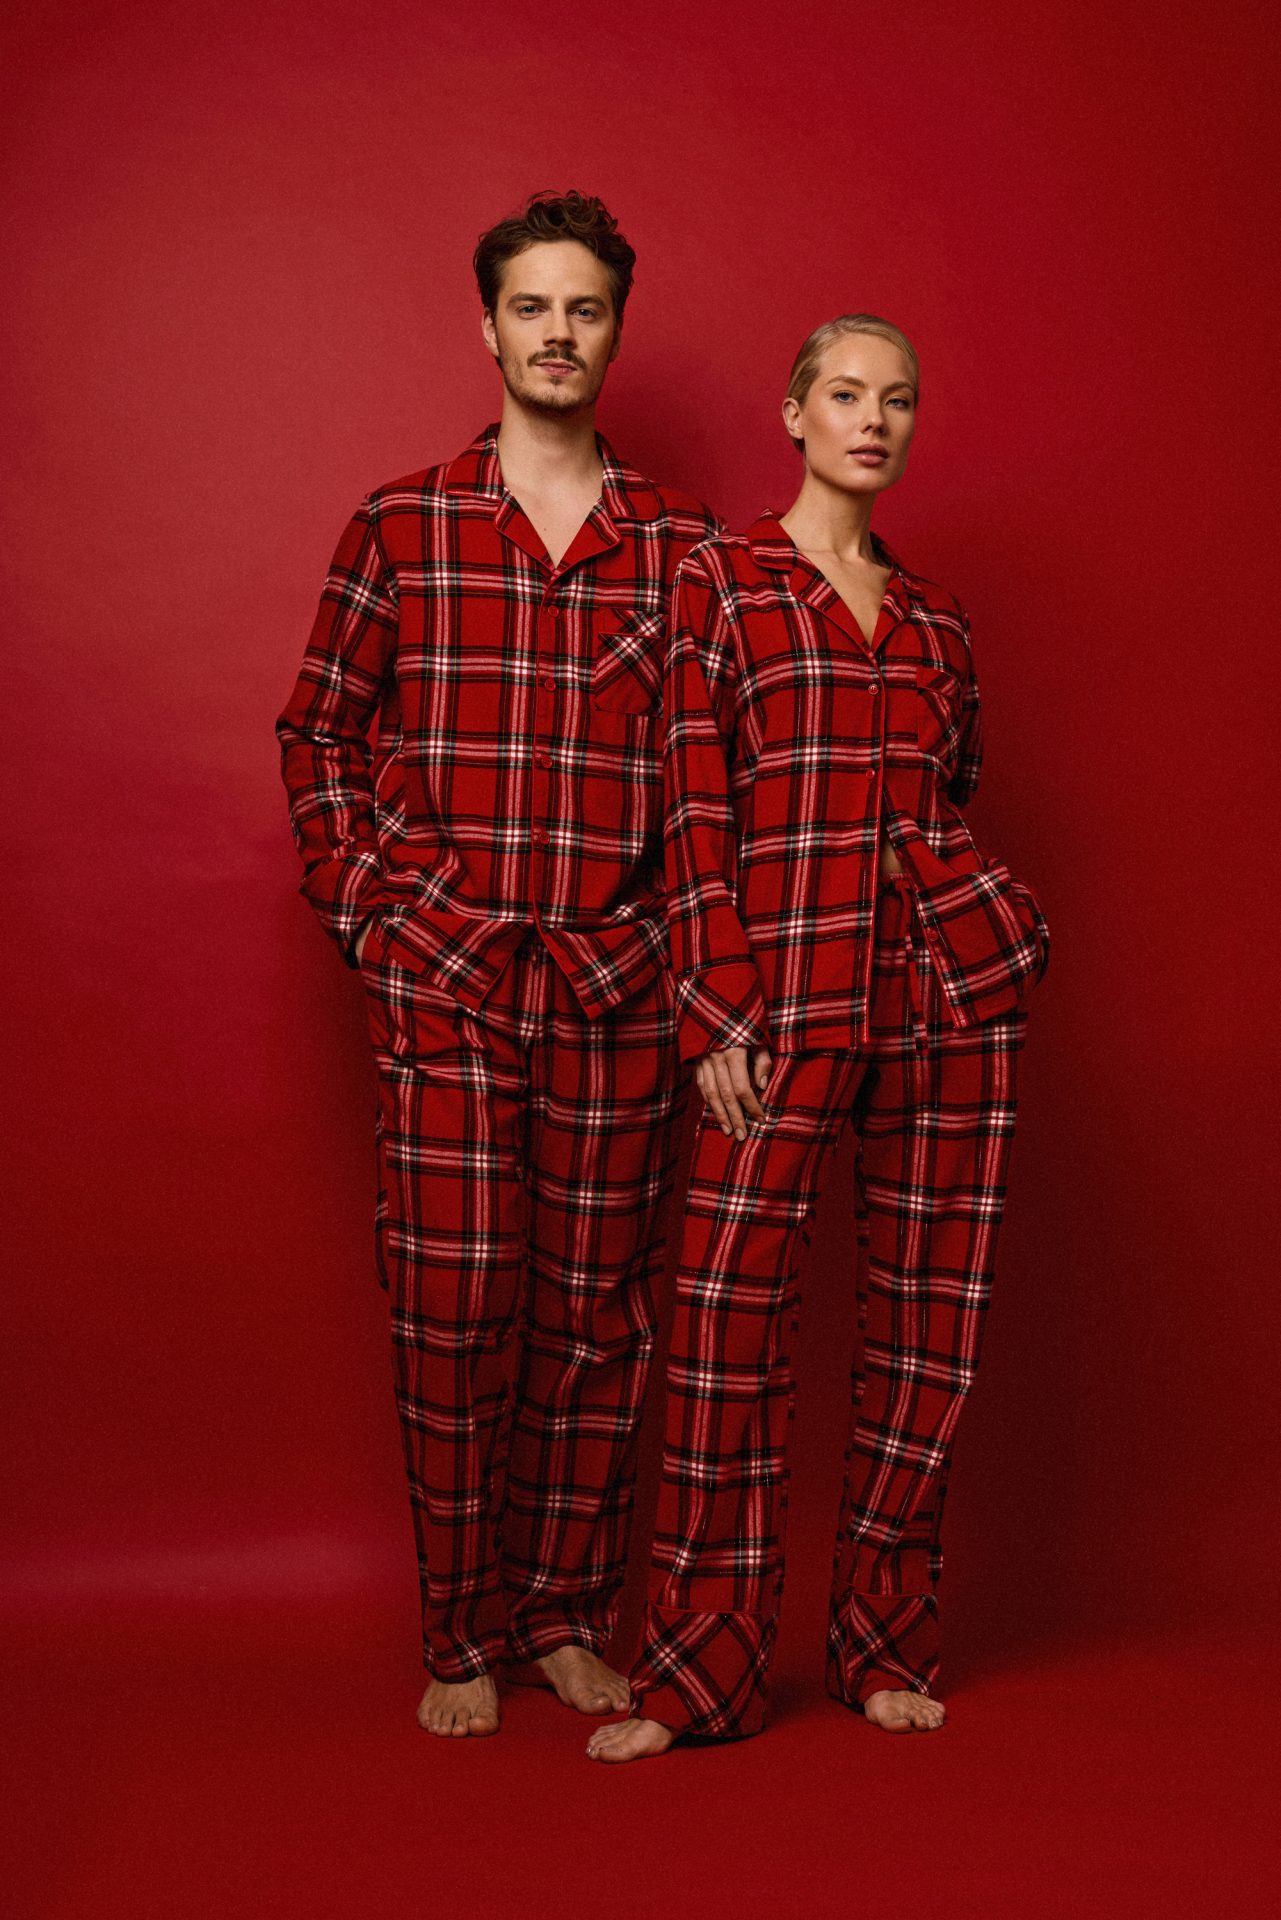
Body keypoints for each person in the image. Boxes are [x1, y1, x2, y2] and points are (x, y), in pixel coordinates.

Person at [276, 191, 719, 1739]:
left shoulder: (682, 548)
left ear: (614, 330)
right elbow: (318, 736)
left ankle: (562, 1620)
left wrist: (674, 952)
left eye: (584, 308)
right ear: (487, 326)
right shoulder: (399, 526)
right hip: (450, 986)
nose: (556, 332)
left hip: (613, 990)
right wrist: (375, 920)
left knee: (596, 1322)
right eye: (531, 305)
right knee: (453, 1308)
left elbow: (718, 775)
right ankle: (460, 1629)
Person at [587, 312, 1049, 1763]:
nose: (874, 419)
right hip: (777, 1002)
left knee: (928, 1335)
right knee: (726, 1327)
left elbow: (953, 786)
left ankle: (883, 1649)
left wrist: (987, 931)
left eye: (897, 398)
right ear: (794, 413)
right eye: (845, 394)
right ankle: (699, 1678)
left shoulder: (936, 621)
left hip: (942, 999)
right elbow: (691, 805)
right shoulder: (720, 581)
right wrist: (716, 1006)